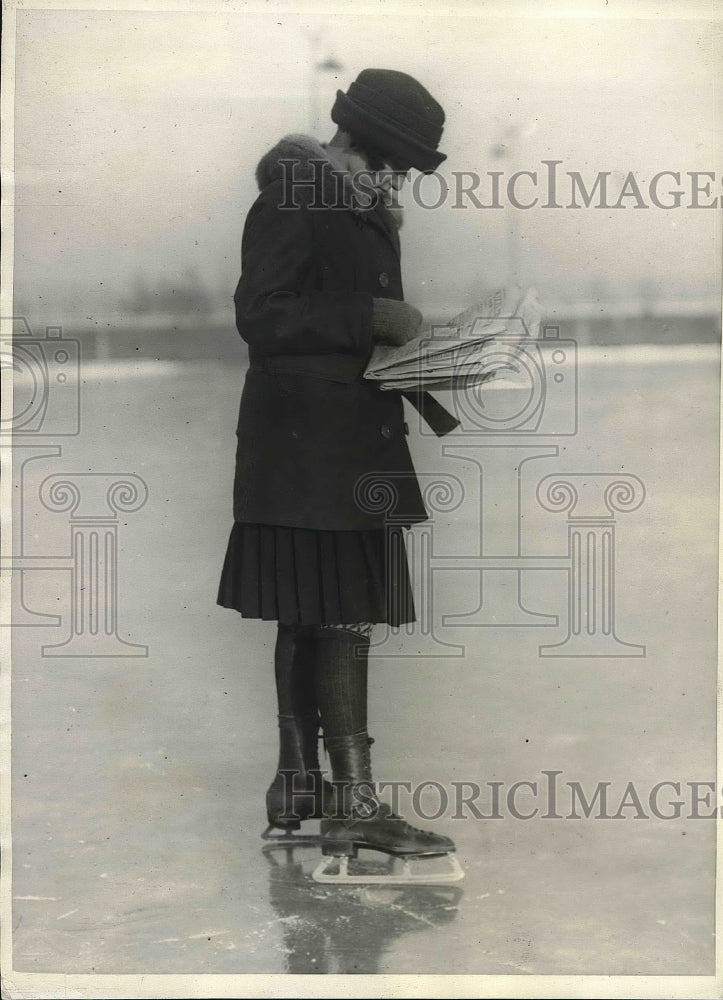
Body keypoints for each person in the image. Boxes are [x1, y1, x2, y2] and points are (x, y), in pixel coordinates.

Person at [217, 69, 460, 871]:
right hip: (312, 444)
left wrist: (416, 354)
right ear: (360, 143)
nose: (399, 179)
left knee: (311, 609)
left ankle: (299, 784)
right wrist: (368, 320)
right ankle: (352, 805)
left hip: (337, 439)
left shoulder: (349, 201)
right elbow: (263, 314)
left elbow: (339, 326)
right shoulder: (298, 193)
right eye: (395, 160)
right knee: (341, 612)